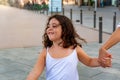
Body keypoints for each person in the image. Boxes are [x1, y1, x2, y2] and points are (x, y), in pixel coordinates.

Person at [26, 14, 111, 80]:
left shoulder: (74, 48)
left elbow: (89, 61)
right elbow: (35, 72)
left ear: (65, 29)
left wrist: (101, 61)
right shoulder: (46, 51)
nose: (49, 28)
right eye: (48, 26)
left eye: (54, 26)